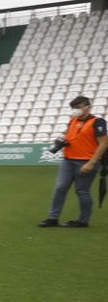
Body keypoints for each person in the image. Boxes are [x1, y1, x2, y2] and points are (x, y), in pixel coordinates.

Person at [38, 96, 106, 228]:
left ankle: (83, 221)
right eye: (74, 108)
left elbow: (103, 143)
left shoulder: (98, 122)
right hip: (68, 160)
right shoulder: (72, 121)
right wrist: (60, 142)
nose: (75, 110)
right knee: (60, 188)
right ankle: (53, 218)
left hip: (86, 161)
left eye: (78, 107)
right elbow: (67, 136)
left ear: (88, 107)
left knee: (82, 190)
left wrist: (92, 162)